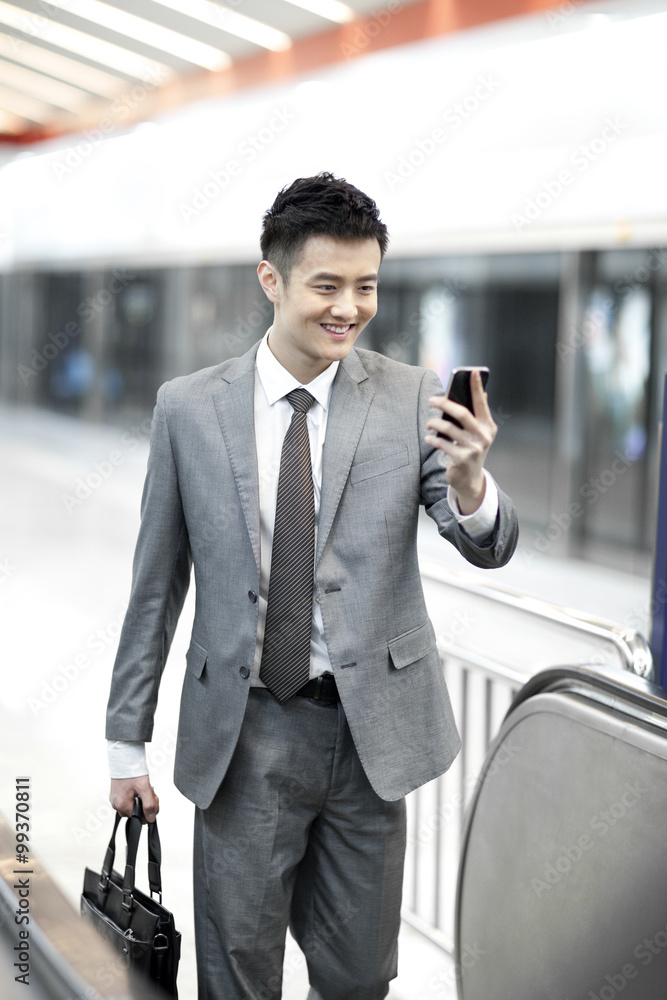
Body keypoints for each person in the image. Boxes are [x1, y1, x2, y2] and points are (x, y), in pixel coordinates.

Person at [106, 172, 519, 1000]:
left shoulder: (407, 397)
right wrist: (126, 741)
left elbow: (484, 545)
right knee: (236, 973)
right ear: (272, 279)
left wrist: (472, 480)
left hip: (371, 738)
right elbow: (157, 585)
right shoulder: (188, 409)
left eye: (365, 286)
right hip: (245, 733)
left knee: (360, 976)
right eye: (325, 285)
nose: (349, 307)